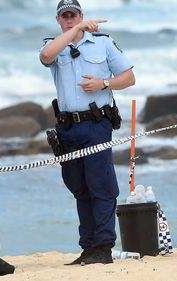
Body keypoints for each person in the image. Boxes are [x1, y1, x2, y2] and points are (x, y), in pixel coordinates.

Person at [40, 0, 135, 265]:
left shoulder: (102, 43)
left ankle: (103, 247)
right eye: (65, 17)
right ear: (59, 20)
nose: (69, 19)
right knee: (79, 188)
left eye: (73, 16)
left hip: (95, 124)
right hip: (67, 127)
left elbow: (129, 77)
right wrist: (76, 30)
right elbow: (45, 57)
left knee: (101, 186)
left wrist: (103, 83)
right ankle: (88, 247)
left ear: (81, 15)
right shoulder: (53, 44)